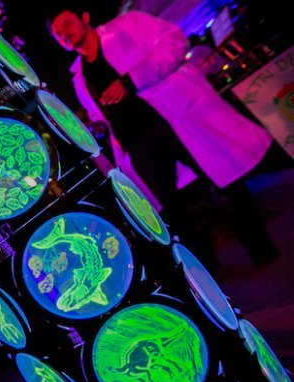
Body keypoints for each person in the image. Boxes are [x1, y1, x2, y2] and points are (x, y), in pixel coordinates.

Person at [48, 4, 280, 265]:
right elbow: (100, 115)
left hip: (174, 120)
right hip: (137, 143)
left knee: (225, 181)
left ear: (84, 16)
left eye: (66, 23)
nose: (64, 34)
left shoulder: (127, 25)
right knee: (171, 212)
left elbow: (174, 42)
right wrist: (98, 127)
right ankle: (206, 271)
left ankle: (261, 250)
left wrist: (130, 81)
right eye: (57, 34)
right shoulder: (79, 76)